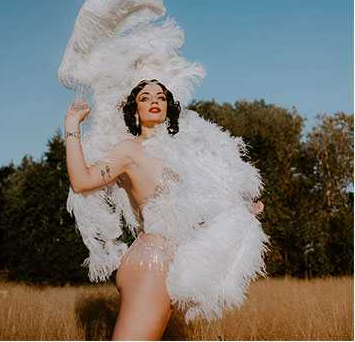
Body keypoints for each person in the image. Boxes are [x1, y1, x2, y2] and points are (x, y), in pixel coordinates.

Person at [65, 78, 264, 341]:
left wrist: (241, 210)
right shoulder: (129, 151)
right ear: (135, 112)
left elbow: (199, 209)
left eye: (160, 97)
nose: (154, 101)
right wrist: (71, 126)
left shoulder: (182, 155)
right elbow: (82, 181)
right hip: (151, 261)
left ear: (169, 107)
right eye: (144, 98)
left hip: (172, 264)